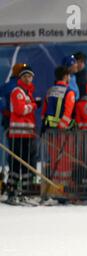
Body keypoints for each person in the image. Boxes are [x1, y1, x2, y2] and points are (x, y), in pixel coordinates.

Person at [6, 66, 38, 203]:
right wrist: (33, 105)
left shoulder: (28, 93)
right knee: (15, 165)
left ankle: (25, 192)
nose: (27, 78)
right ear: (20, 78)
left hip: (27, 135)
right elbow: (20, 110)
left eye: (30, 76)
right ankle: (12, 192)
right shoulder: (17, 91)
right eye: (25, 76)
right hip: (18, 136)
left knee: (26, 165)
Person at [0, 63, 27, 132]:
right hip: (19, 120)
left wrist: (4, 110)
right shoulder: (21, 86)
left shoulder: (6, 86)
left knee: (12, 141)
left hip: (9, 119)